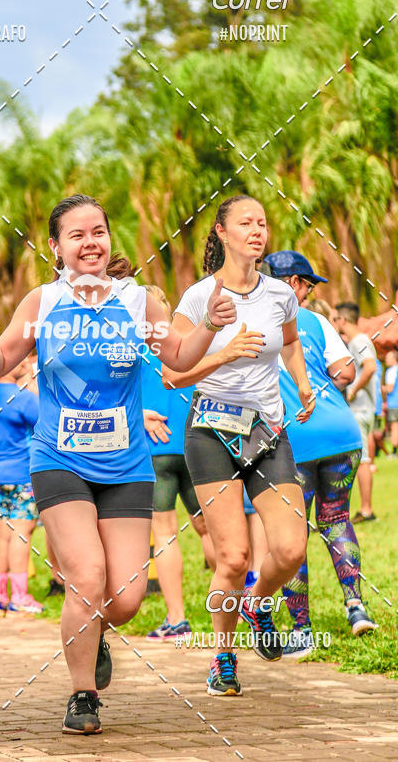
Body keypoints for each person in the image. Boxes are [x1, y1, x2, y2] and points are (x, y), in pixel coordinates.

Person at [0, 193, 234, 734]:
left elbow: (181, 358)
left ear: (109, 238)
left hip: (126, 466)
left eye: (98, 232)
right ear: (56, 247)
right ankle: (82, 695)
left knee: (127, 599)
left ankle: (94, 633)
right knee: (86, 577)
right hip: (58, 460)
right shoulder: (42, 303)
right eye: (76, 235)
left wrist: (207, 322)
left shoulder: (139, 303)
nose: (90, 243)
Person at [162, 195, 314, 697]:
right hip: (210, 431)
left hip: (266, 430)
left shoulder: (280, 295)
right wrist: (223, 353)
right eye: (245, 223)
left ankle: (256, 602)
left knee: (290, 548)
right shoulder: (198, 297)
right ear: (222, 233)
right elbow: (172, 374)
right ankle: (222, 657)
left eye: (263, 223)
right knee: (231, 557)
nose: (257, 230)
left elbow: (289, 342)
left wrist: (303, 379)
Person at [265, 251, 378, 651]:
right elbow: (346, 371)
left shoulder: (249, 322)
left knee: (291, 533)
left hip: (293, 440)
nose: (311, 292)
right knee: (337, 520)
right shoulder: (317, 322)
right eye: (307, 284)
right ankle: (356, 607)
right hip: (342, 434)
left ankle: (301, 630)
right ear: (291, 283)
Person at [140, 286, 216, 642]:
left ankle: (177, 620)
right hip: (196, 441)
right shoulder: (186, 343)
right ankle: (239, 607)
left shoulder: (126, 348)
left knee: (166, 533)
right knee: (210, 529)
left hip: (156, 448)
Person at [0, 361, 43, 615]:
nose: (24, 361)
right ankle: (19, 597)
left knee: (1, 532)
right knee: (22, 531)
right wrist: (33, 381)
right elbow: (48, 422)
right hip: (22, 474)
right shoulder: (23, 398)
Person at [331, 302, 378, 523]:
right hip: (364, 409)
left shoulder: (359, 341)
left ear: (343, 320)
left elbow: (370, 367)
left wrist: (352, 392)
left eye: (335, 319)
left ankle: (367, 510)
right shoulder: (359, 341)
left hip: (360, 408)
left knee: (363, 459)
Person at [382, 350, 398, 457]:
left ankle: (394, 451)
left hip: (394, 403)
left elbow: (390, 388)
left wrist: (381, 389)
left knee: (394, 426)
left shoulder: (391, 370)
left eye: (388, 357)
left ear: (394, 359)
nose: (386, 360)